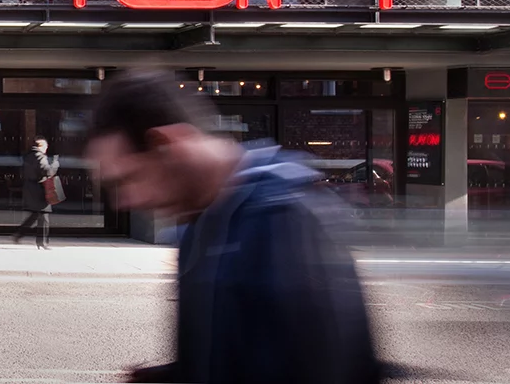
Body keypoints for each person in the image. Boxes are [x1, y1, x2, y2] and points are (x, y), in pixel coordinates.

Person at [83, 72, 380, 384]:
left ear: (165, 144)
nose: (125, 201)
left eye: (128, 179)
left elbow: (330, 366)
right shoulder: (198, 228)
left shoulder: (286, 218)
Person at [13, 138, 59, 249]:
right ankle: (42, 243)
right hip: (39, 189)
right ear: (41, 146)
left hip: (30, 188)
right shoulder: (40, 156)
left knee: (36, 214)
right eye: (45, 147)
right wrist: (55, 164)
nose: (46, 150)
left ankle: (19, 234)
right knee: (43, 215)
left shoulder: (28, 156)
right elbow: (47, 171)